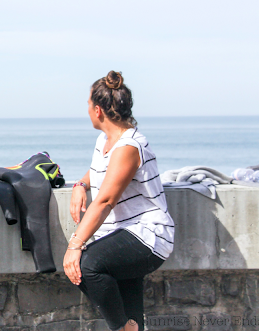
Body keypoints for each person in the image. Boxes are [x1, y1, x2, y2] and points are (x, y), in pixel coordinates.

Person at [64, 71, 174, 331]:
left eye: (89, 106)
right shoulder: (106, 140)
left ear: (98, 110)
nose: (88, 111)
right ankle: (131, 327)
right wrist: (81, 184)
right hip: (122, 232)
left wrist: (75, 244)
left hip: (148, 235)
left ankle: (124, 329)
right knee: (134, 316)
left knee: (85, 265)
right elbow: (102, 170)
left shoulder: (130, 145)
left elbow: (105, 201)